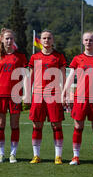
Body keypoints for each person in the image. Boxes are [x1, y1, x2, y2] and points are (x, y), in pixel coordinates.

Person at [62, 31, 93, 166]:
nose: (88, 42)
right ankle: (75, 156)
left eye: (91, 40)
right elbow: (71, 77)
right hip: (80, 98)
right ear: (83, 42)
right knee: (78, 127)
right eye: (86, 40)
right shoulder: (77, 59)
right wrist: (64, 93)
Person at [0, 28, 28, 163]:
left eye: (11, 38)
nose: (9, 41)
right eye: (7, 38)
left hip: (15, 94)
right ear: (2, 40)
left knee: (14, 125)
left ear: (14, 40)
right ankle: (1, 154)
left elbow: (26, 76)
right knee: (0, 124)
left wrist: (27, 94)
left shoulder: (20, 57)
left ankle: (13, 154)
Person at [28, 30, 66, 164]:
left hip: (54, 94)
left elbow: (63, 77)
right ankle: (36, 155)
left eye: (49, 38)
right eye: (44, 38)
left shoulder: (58, 57)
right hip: (38, 95)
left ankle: (58, 156)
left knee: (56, 125)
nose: (46, 40)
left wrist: (64, 92)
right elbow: (30, 77)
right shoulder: (34, 57)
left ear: (52, 40)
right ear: (41, 40)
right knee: (37, 125)